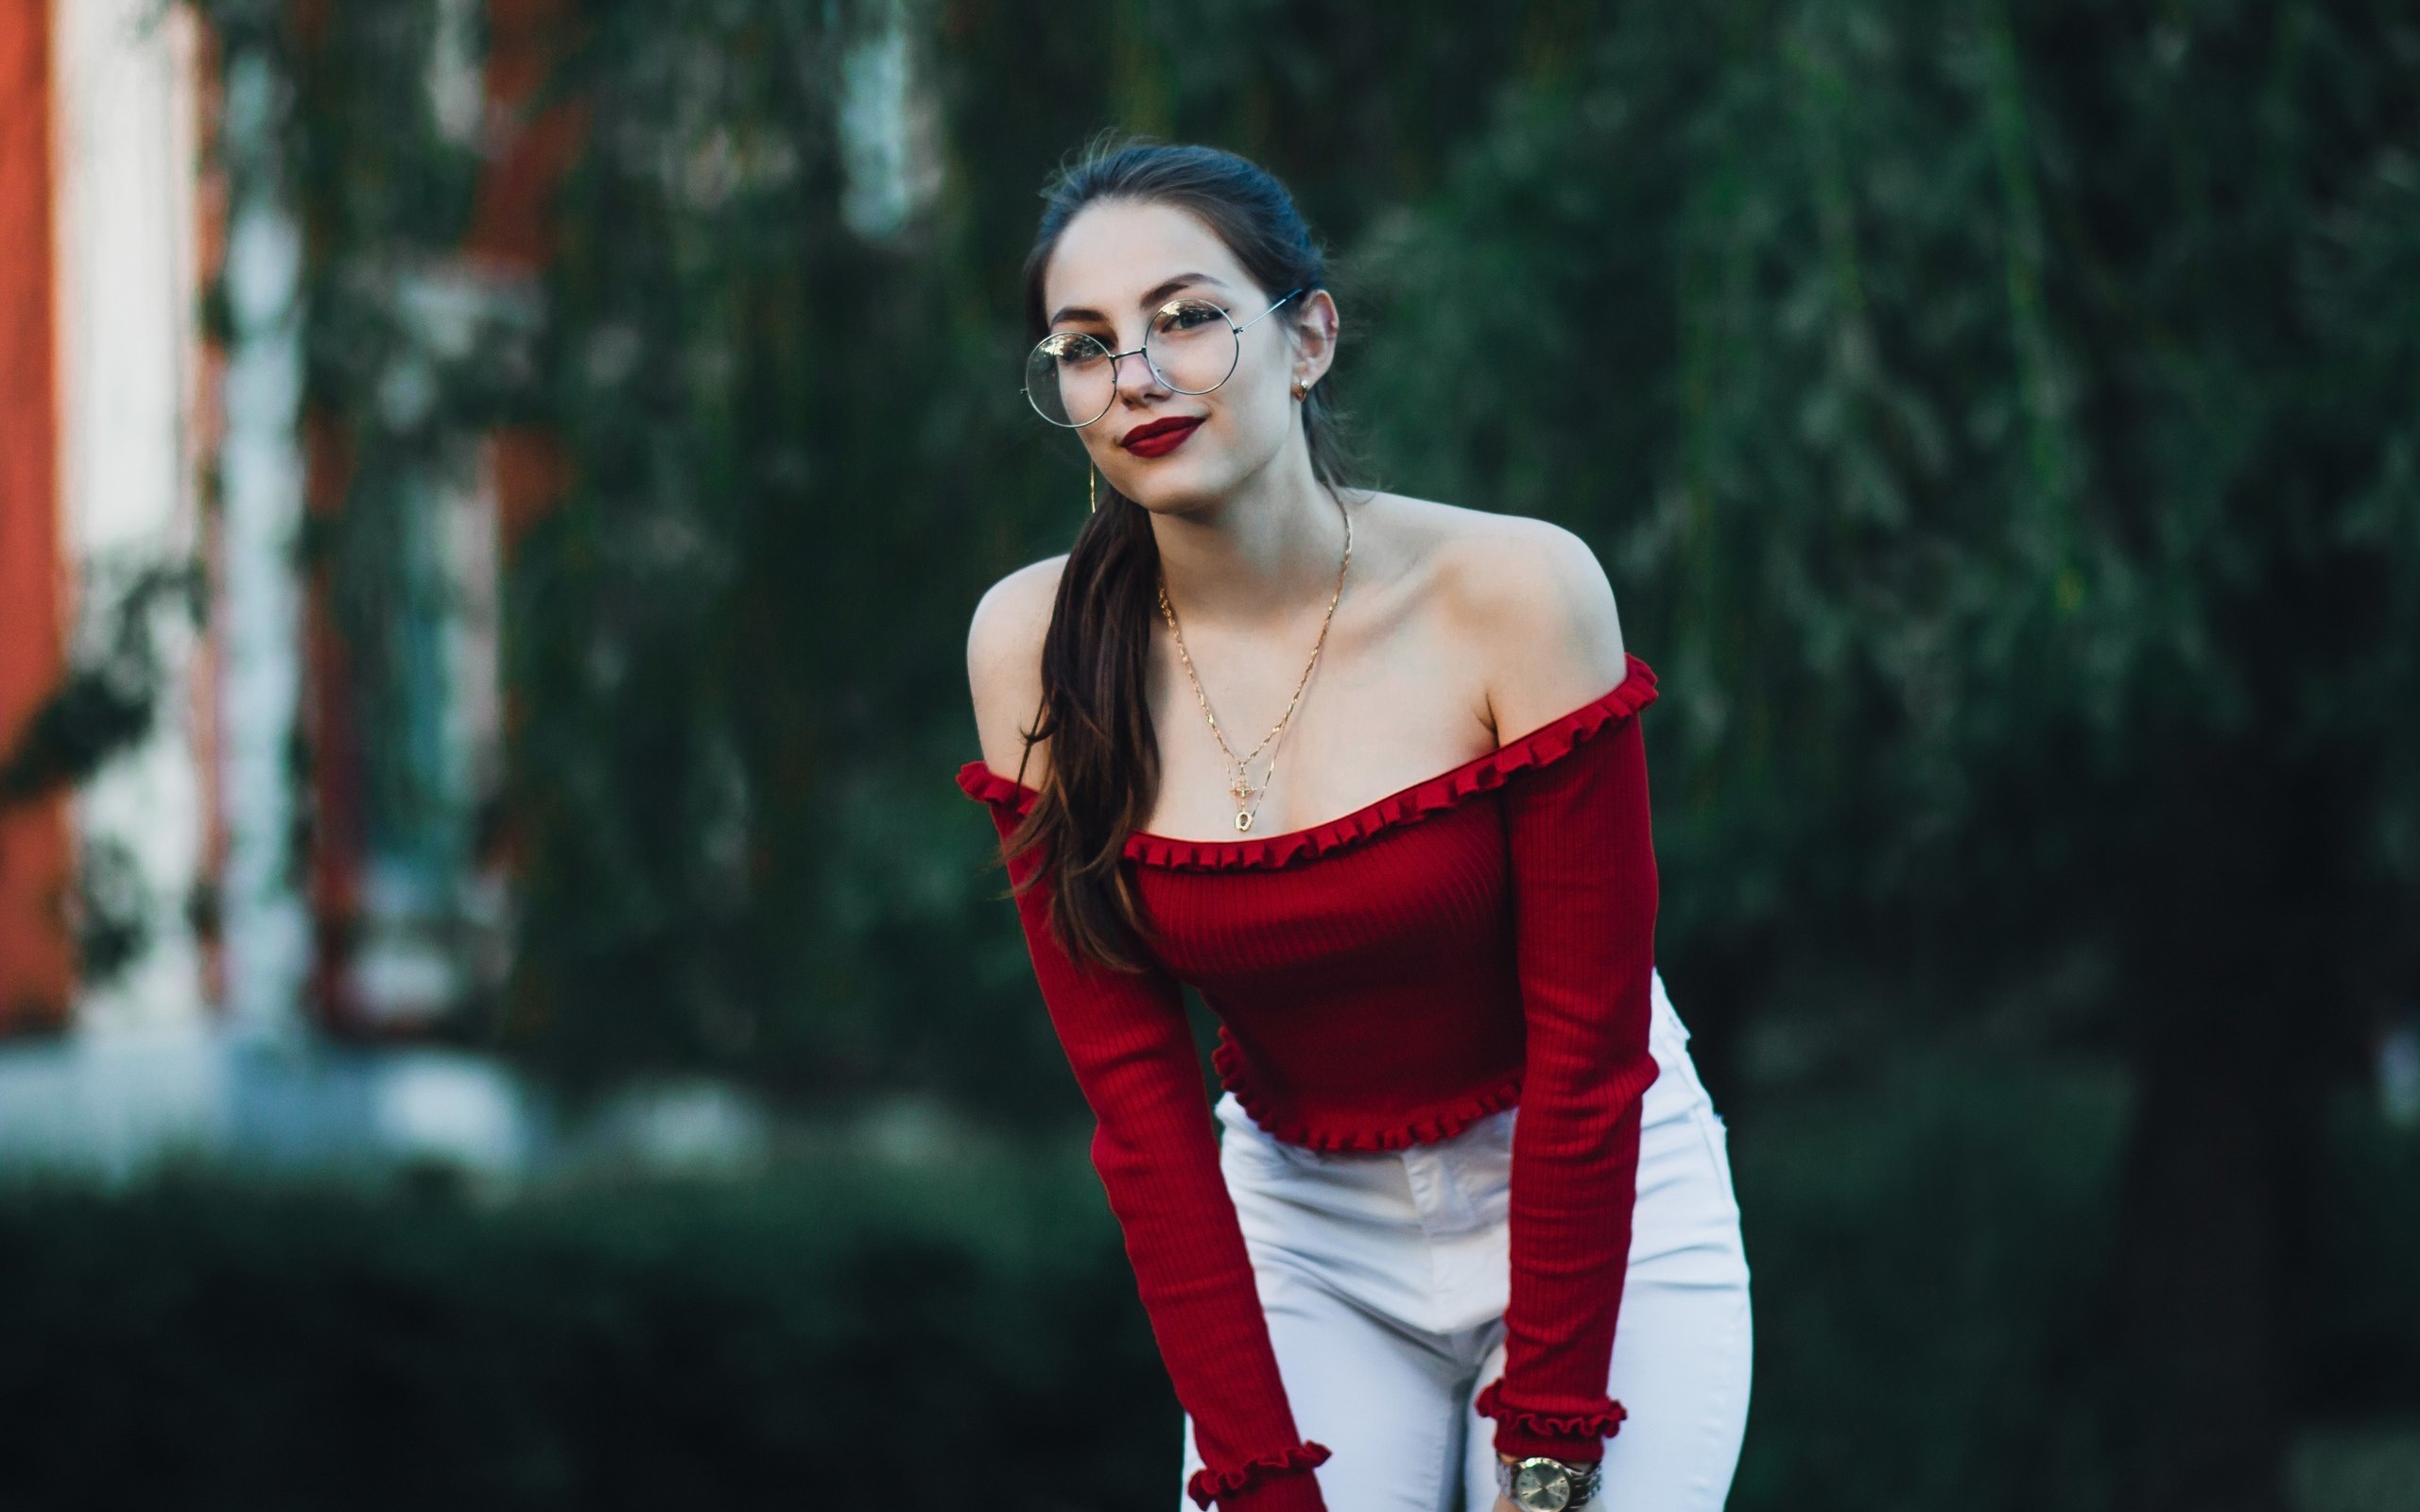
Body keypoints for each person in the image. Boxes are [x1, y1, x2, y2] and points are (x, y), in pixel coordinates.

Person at [959, 141, 1752, 1512]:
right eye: (1085, 347)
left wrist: (1551, 1437)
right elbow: (1140, 1113)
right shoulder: (1032, 645)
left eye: (1189, 317)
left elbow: (1589, 1048)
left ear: (1307, 336)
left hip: (1585, 1192)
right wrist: (1259, 1470)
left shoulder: (1515, 590)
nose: (1138, 375)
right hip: (1306, 1227)